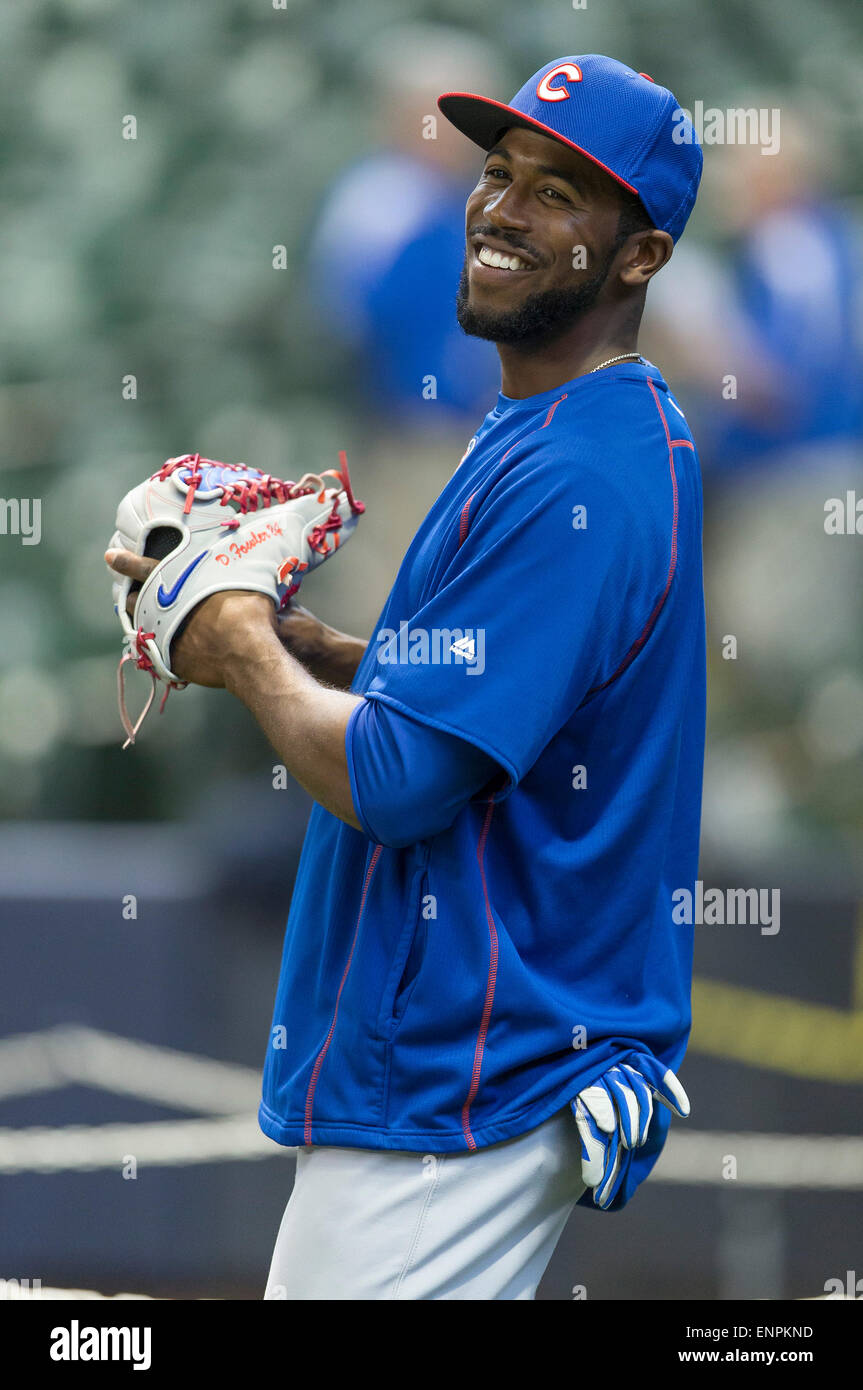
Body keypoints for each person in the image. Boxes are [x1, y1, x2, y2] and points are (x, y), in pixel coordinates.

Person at [106, 54, 706, 1301]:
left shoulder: (578, 475)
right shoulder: (555, 428)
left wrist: (234, 636)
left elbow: (391, 782)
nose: (500, 210)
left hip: (461, 1081)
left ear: (638, 257)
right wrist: (317, 649)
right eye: (497, 174)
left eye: (558, 195)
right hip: (479, 1070)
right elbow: (496, 710)